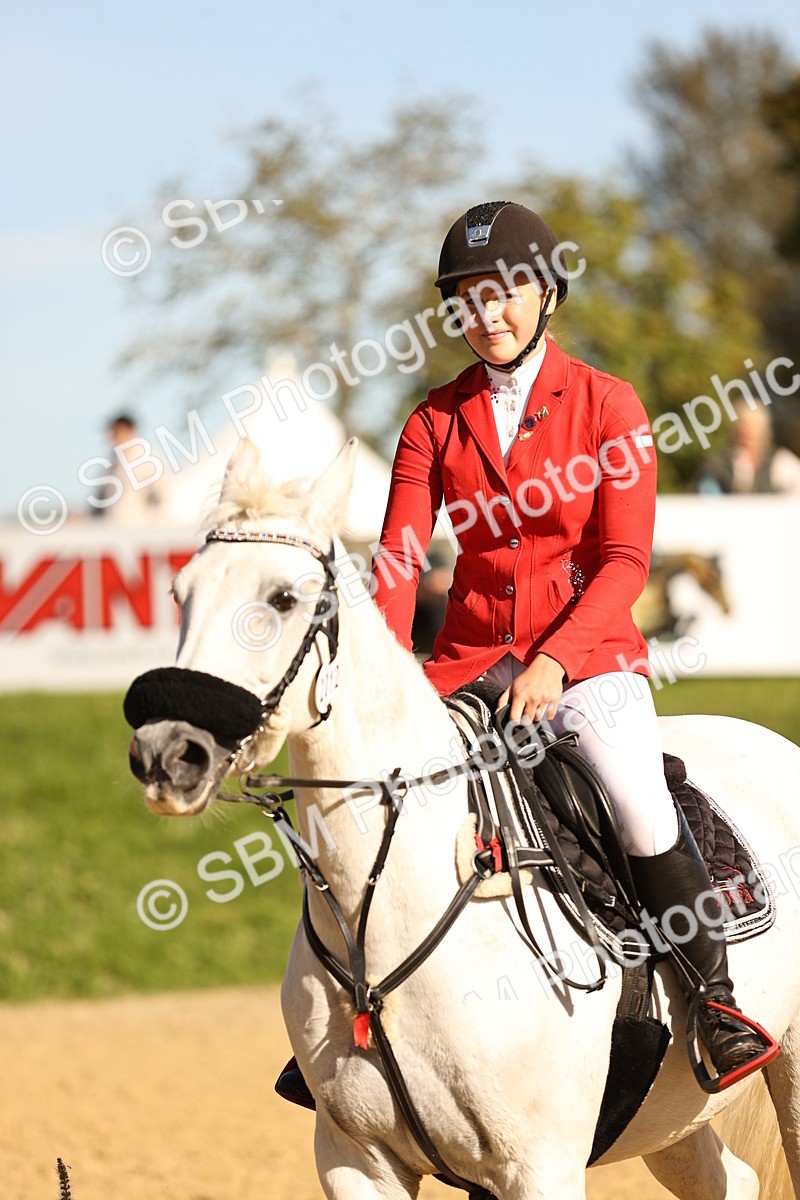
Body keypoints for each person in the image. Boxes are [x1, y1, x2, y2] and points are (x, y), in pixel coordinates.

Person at [275, 201, 776, 1109]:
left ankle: (715, 1002)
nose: (486, 313)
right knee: (370, 802)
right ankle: (350, 1011)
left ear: (546, 295)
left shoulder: (608, 405)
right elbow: (398, 556)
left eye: (504, 293)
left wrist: (554, 661)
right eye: (467, 298)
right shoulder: (433, 420)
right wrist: (383, 670)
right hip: (463, 666)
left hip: (587, 663)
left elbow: (626, 562)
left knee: (634, 798)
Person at [696, 399, 800, 495]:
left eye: (752, 430)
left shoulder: (781, 463)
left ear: (763, 433)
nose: (746, 436)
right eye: (742, 431)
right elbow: (707, 495)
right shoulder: (720, 465)